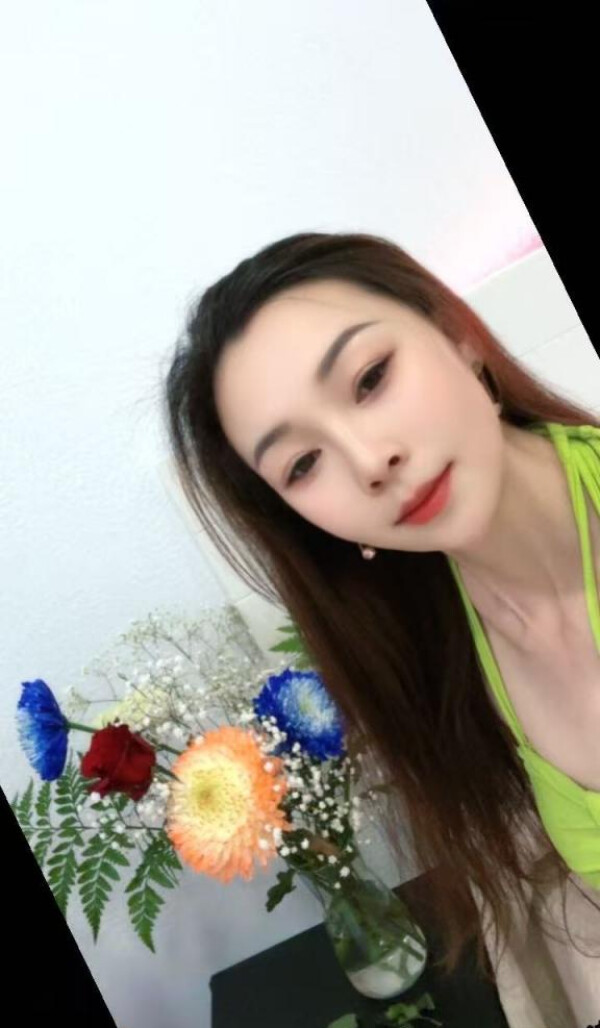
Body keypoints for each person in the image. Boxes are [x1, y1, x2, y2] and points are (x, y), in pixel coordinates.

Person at [163, 231, 600, 1026]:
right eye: (302, 465)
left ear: (457, 334)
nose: (369, 461)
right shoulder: (435, 664)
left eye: (370, 379)